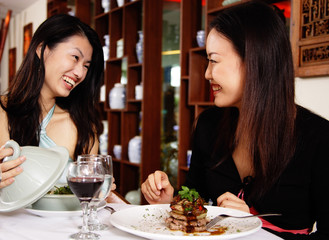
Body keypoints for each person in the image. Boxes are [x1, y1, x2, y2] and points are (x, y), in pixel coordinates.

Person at [141, 1, 329, 239]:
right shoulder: (208, 124)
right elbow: (196, 199)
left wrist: (253, 226)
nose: (207, 73)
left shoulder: (319, 138)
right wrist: (170, 200)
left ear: (254, 62)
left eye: (214, 60)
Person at [0, 14, 105, 208]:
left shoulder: (82, 125)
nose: (80, 73)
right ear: (42, 49)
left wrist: (105, 193)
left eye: (86, 66)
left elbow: (91, 202)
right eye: (75, 58)